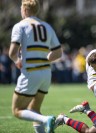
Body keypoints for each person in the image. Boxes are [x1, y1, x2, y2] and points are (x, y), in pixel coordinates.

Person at [8, 0, 62, 133]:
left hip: (31, 73)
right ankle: (44, 125)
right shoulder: (47, 26)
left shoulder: (20, 26)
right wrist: (45, 59)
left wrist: (16, 60)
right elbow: (58, 52)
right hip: (45, 74)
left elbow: (12, 52)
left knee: (16, 110)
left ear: (25, 9)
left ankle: (46, 119)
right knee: (34, 109)